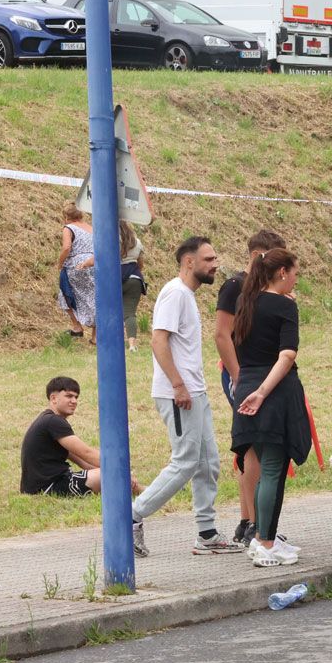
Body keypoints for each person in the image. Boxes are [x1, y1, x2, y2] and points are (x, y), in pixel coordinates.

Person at [132, 237, 238, 558]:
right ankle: (131, 516)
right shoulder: (175, 293)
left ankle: (206, 533)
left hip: (195, 393)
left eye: (215, 258)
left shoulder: (187, 295)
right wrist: (178, 385)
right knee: (186, 462)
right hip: (178, 394)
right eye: (208, 259)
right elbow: (158, 341)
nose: (215, 264)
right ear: (189, 262)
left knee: (208, 463)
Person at [232, 249, 312, 568]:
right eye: (295, 273)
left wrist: (252, 390)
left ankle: (260, 536)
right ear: (282, 272)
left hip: (246, 385)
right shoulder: (284, 306)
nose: (296, 279)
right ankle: (266, 543)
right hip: (273, 392)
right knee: (273, 469)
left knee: (265, 465)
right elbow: (287, 355)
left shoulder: (245, 301)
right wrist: (264, 392)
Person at [214, 229, 287, 547]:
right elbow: (221, 334)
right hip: (244, 376)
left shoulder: (266, 291)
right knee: (254, 447)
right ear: (259, 256)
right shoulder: (235, 286)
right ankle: (255, 525)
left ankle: (250, 521)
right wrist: (237, 375)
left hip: (261, 376)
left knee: (254, 448)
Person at [20, 377, 141, 497]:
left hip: (41, 486)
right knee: (109, 475)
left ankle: (143, 492)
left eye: (76, 397)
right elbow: (87, 453)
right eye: (69, 396)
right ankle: (144, 492)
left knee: (111, 474)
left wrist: (118, 473)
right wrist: (120, 469)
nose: (74, 401)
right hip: (50, 486)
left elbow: (83, 462)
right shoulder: (53, 421)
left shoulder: (47, 420)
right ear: (53, 398)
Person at [54, 202, 96, 343]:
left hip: (75, 266)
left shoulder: (69, 228)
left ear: (66, 216)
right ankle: (95, 337)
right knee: (94, 299)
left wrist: (60, 263)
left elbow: (67, 247)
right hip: (93, 264)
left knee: (64, 294)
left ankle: (77, 326)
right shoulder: (92, 229)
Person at [119, 220, 147, 351]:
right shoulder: (137, 242)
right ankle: (132, 345)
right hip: (134, 279)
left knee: (113, 312)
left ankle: (115, 340)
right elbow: (140, 264)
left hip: (115, 279)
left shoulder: (112, 241)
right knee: (129, 313)